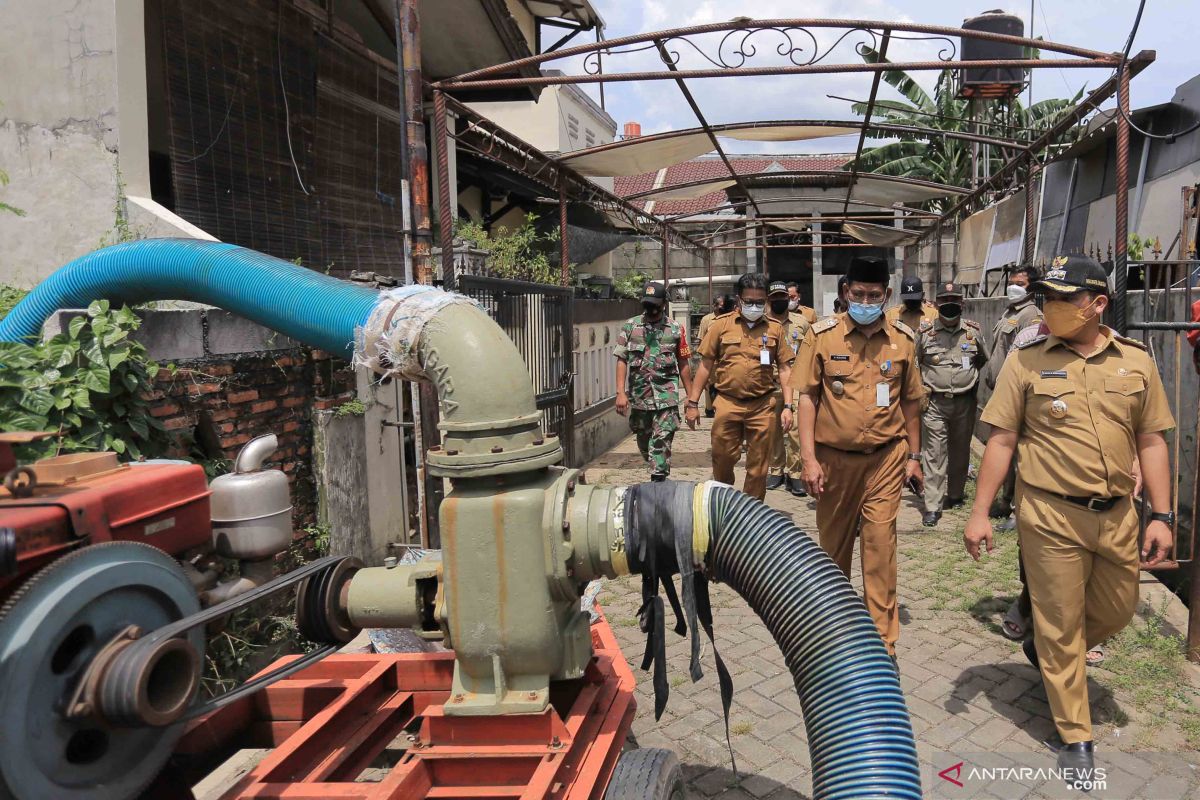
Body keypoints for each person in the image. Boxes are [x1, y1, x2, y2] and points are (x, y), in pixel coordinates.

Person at [964, 254, 1174, 786]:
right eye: (1046, 297)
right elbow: (1002, 440)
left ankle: (1044, 649)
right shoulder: (1028, 360)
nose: (1049, 307)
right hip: (1051, 513)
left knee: (1118, 609)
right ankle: (1076, 733)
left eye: (1062, 299)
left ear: (1096, 304)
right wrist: (981, 512)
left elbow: (1151, 440)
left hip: (1118, 514)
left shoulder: (1136, 361)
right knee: (1060, 621)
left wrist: (1163, 516)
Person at [792, 256, 924, 663]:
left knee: (880, 549)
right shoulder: (822, 336)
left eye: (874, 295)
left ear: (885, 295)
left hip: (886, 459)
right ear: (846, 292)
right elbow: (807, 397)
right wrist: (809, 460)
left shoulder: (903, 339)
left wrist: (914, 457)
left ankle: (883, 646)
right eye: (858, 294)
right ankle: (833, 636)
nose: (865, 301)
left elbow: (912, 402)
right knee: (833, 550)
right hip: (834, 462)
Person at [686, 273, 794, 500]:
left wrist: (789, 406)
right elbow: (705, 366)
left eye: (759, 302)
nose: (754, 306)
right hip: (727, 402)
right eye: (749, 301)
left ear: (766, 301)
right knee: (722, 458)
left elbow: (785, 368)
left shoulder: (774, 329)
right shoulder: (720, 326)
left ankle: (750, 516)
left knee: (758, 468)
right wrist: (693, 403)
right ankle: (724, 506)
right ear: (739, 299)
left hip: (762, 405)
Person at [915, 282, 987, 527]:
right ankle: (933, 505)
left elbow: (982, 359)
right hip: (935, 402)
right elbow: (914, 363)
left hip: (965, 402)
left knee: (960, 451)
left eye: (954, 301)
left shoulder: (973, 332)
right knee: (934, 454)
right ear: (936, 304)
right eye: (944, 301)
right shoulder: (925, 334)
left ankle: (955, 494)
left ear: (962, 304)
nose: (949, 305)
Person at [614, 282, 693, 482]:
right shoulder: (631, 326)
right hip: (640, 397)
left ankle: (658, 479)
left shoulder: (675, 329)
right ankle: (656, 468)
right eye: (647, 304)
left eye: (655, 304)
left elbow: (683, 363)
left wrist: (691, 399)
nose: (651, 308)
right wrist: (620, 393)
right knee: (644, 440)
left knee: (661, 439)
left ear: (664, 303)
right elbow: (622, 359)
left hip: (667, 397)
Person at [984, 265, 1043, 522]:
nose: (1014, 286)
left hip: (1017, 395)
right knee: (1005, 449)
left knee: (1020, 452)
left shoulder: (1031, 317)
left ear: (1033, 288)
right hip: (1000, 391)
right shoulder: (1010, 312)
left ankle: (1019, 509)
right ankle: (1006, 500)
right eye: (1012, 281)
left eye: (1021, 283)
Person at [766, 280, 812, 494]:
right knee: (773, 429)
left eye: (783, 297)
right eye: (775, 298)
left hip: (795, 382)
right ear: (769, 300)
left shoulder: (802, 322)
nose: (779, 301)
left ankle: (795, 473)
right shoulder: (762, 324)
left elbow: (812, 352)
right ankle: (776, 470)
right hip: (769, 383)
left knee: (794, 429)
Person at [697, 295, 727, 418]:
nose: (723, 307)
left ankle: (722, 408)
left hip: (726, 359)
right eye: (721, 305)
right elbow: (701, 340)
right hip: (711, 359)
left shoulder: (730, 318)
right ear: (715, 306)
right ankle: (709, 409)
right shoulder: (706, 320)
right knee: (709, 385)